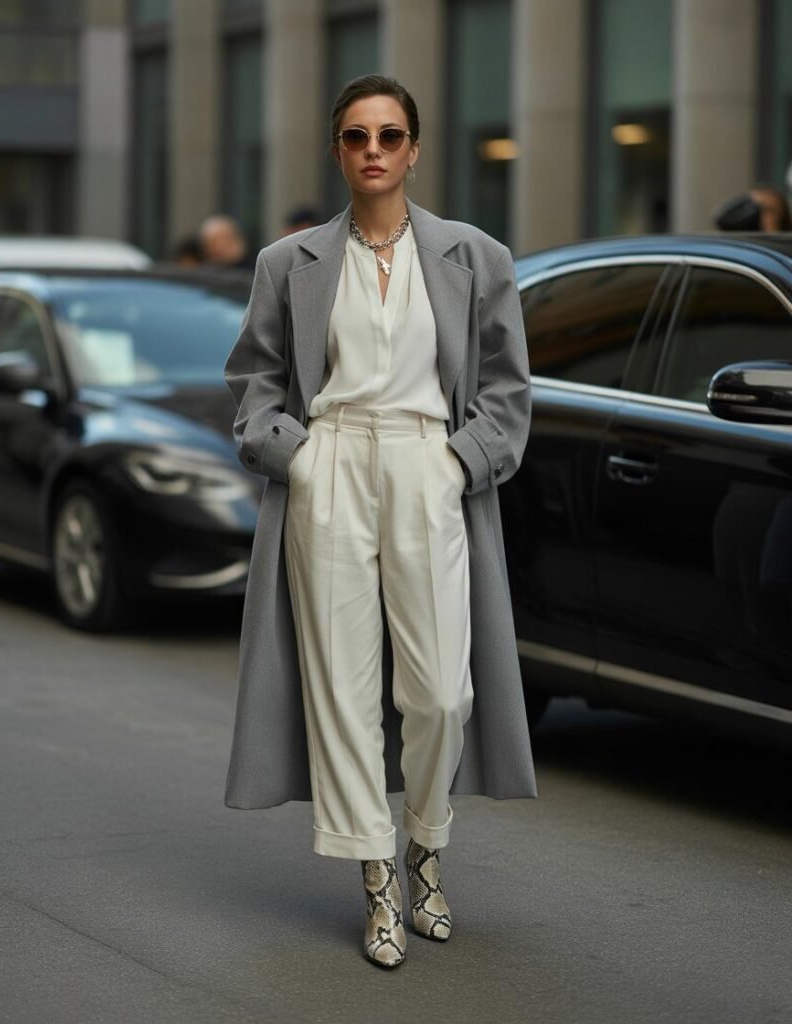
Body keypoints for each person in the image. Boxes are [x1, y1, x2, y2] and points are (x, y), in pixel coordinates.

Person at [223, 74, 536, 970]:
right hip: (329, 465)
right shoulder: (289, 262)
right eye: (356, 136)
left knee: (442, 691)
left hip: (425, 463)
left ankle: (425, 847)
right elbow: (253, 380)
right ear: (336, 150)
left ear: (413, 148)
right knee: (342, 691)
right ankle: (377, 885)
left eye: (389, 136)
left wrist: (457, 462)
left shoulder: (476, 256)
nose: (373, 150)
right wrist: (294, 452)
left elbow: (509, 393)